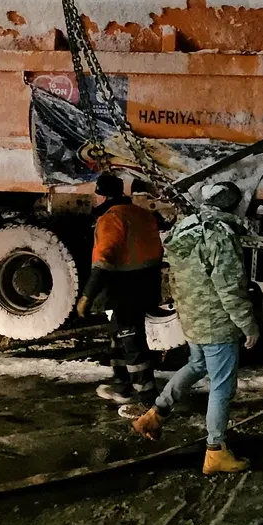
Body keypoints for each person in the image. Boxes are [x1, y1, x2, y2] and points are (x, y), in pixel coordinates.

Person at [130, 181, 259, 476]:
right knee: (222, 385)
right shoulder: (219, 236)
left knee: (197, 364)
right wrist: (248, 325)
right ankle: (215, 452)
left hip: (192, 317)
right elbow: (229, 287)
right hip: (216, 322)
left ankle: (155, 414)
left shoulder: (184, 229)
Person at [78, 174, 163, 407]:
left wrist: (87, 295)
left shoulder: (112, 218)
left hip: (126, 290)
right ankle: (121, 385)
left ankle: (148, 401)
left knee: (131, 341)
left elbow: (103, 260)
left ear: (102, 195)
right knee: (119, 334)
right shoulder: (143, 214)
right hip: (147, 286)